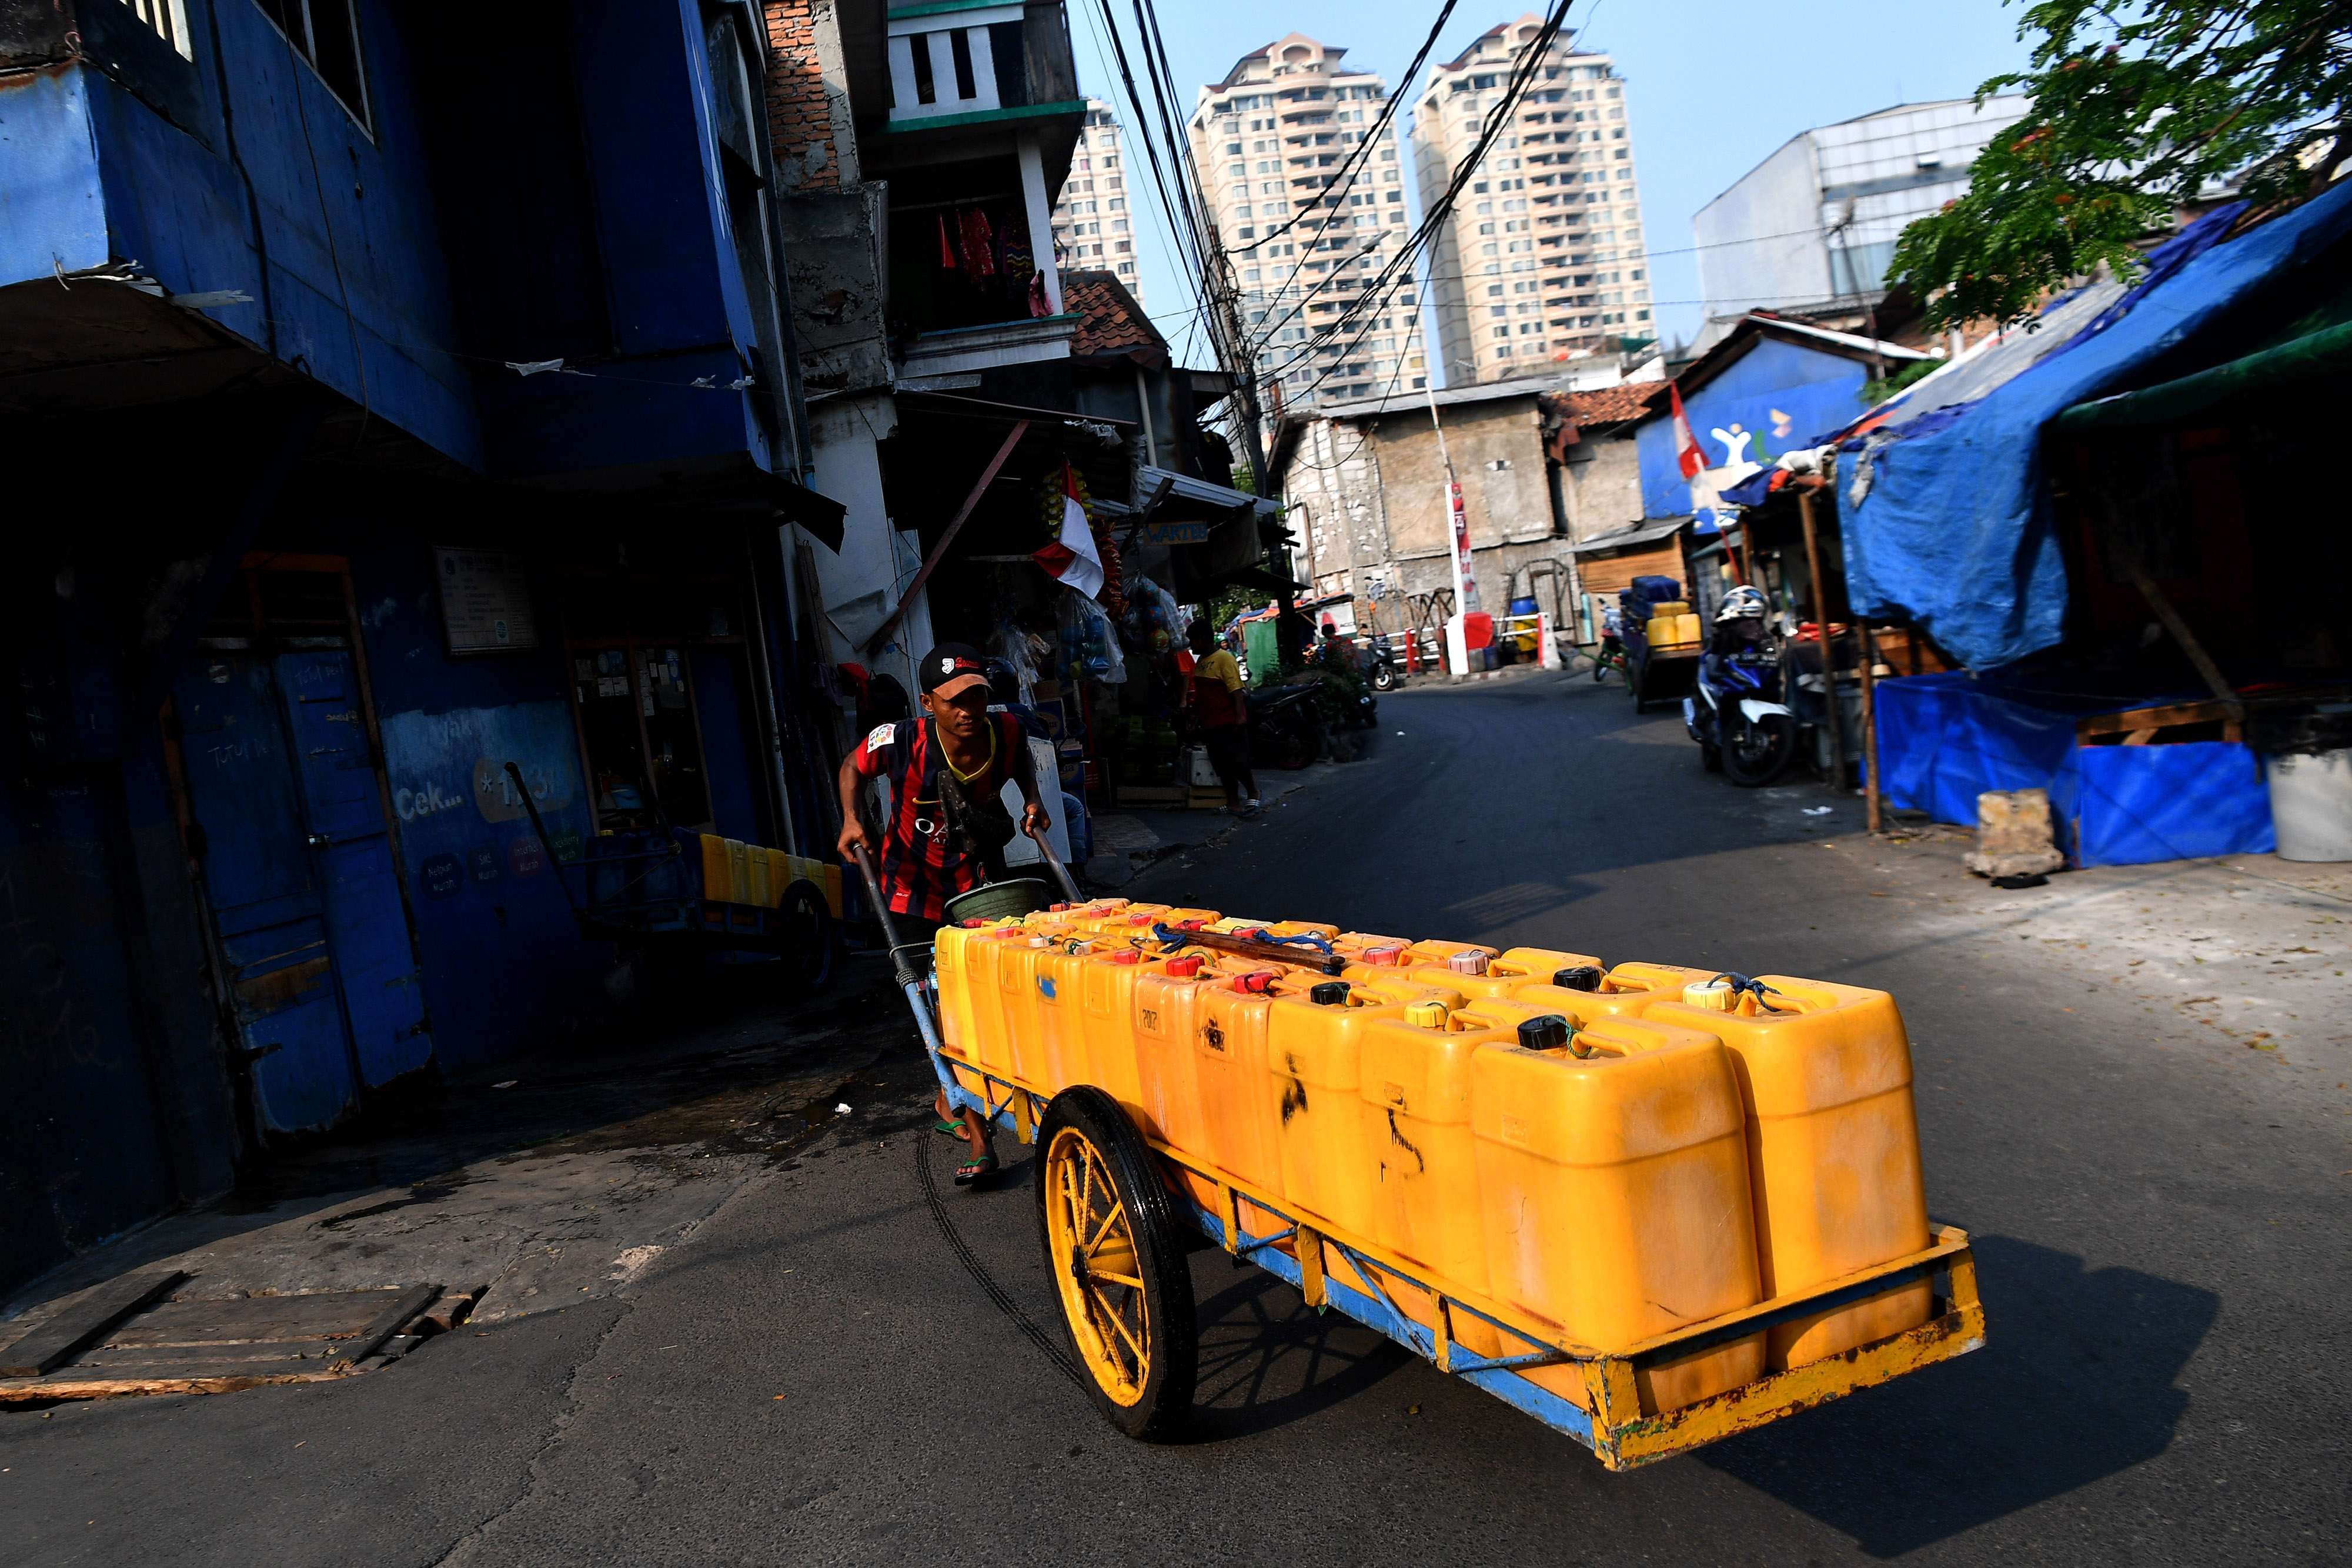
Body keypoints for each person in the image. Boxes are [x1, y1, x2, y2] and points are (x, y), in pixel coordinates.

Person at [836, 643, 1048, 1186]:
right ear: (929, 703)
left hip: (978, 884)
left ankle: (956, 1095)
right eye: (954, 699)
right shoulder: (900, 740)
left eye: (976, 696)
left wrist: (1031, 797)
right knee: (938, 1007)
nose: (968, 709)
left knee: (984, 999)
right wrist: (852, 820)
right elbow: (852, 766)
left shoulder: (1007, 730)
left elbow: (1022, 760)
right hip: (911, 890)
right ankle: (979, 1138)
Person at [1181, 620, 1259, 817]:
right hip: (1210, 722)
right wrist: (1194, 714)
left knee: (1238, 761)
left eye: (1193, 640)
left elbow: (1236, 689)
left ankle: (1253, 792)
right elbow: (1201, 694)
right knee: (1222, 765)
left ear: (1202, 640)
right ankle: (1233, 802)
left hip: (1228, 719)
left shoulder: (1225, 659)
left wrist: (1239, 716)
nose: (1191, 645)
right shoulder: (1201, 662)